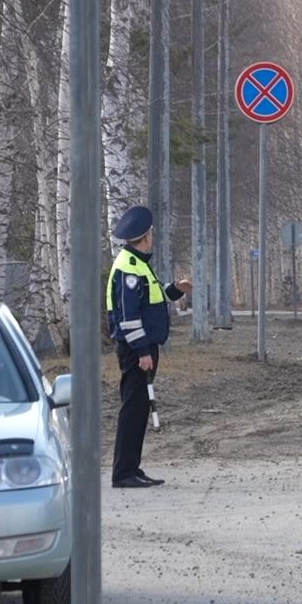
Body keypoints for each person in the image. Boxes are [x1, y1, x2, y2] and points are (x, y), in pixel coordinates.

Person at [107, 206, 191, 489]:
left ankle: (132, 467)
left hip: (143, 346)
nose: (153, 237)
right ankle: (123, 473)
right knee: (133, 408)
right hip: (136, 349)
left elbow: (152, 299)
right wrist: (142, 351)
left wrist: (176, 289)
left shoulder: (138, 263)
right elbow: (128, 316)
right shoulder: (128, 269)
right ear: (144, 237)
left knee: (140, 407)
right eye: (151, 233)